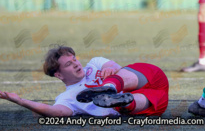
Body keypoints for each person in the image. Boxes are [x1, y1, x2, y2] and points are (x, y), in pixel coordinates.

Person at [0, 45, 169, 117]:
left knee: (121, 76)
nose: (75, 64)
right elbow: (54, 112)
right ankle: (118, 100)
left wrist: (111, 70)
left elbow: (116, 66)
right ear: (58, 75)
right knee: (129, 104)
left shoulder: (95, 62)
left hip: (146, 78)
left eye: (74, 59)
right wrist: (20, 101)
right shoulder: (67, 97)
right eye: (68, 64)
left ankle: (110, 87)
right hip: (149, 102)